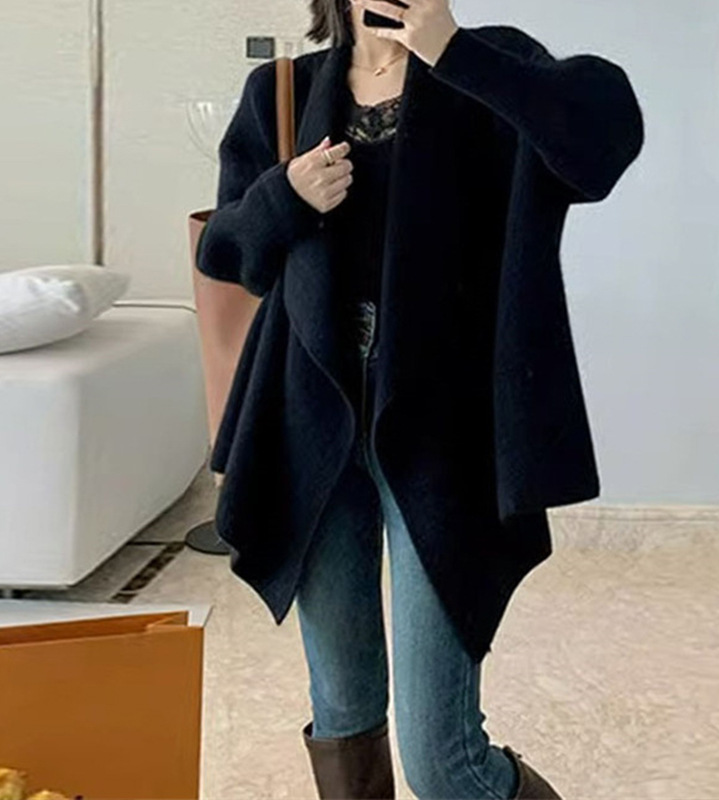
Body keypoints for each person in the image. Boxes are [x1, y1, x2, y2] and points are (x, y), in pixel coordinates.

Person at [196, 0, 644, 797]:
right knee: (341, 714)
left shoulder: (488, 65)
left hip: (444, 431)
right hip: (313, 425)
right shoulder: (283, 90)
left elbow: (600, 147)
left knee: (442, 756)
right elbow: (228, 251)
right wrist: (284, 196)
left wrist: (456, 52)